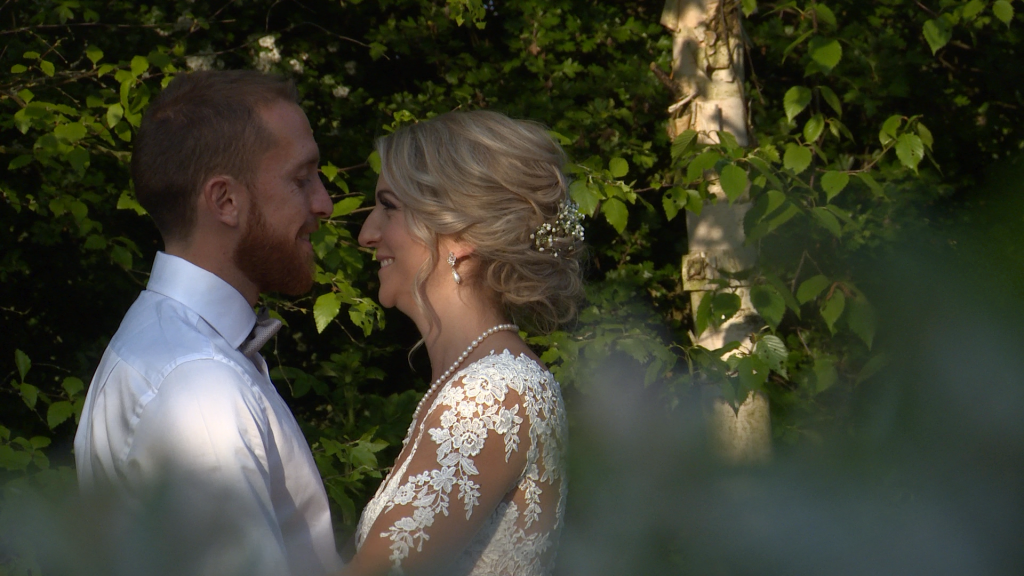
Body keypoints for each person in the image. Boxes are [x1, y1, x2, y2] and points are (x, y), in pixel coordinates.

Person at [73, 70, 342, 576]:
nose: (323, 203)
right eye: (301, 179)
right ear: (225, 201)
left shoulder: (177, 351)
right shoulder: (197, 386)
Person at [348, 110, 584, 576]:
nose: (366, 234)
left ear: (461, 235)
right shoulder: (486, 381)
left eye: (389, 207)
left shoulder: (491, 398)